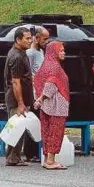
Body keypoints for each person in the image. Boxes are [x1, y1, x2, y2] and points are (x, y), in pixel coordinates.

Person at [33, 41, 69, 170]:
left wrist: (38, 99)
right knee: (55, 132)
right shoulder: (55, 67)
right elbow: (51, 85)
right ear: (53, 52)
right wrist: (42, 98)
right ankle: (51, 161)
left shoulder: (45, 65)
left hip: (45, 107)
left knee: (47, 132)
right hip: (56, 106)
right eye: (61, 50)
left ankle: (47, 159)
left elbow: (36, 79)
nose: (63, 53)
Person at [4, 27, 34, 167]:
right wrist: (20, 103)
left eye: (30, 37)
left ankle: (12, 155)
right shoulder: (16, 57)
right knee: (17, 128)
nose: (30, 40)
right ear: (18, 40)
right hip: (16, 99)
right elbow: (15, 82)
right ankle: (13, 157)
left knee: (17, 126)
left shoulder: (21, 53)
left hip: (21, 97)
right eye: (27, 38)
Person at [25, 26, 50, 163]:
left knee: (38, 121)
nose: (46, 41)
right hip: (34, 92)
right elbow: (27, 73)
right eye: (44, 39)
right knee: (33, 121)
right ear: (37, 37)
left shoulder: (40, 51)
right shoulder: (31, 53)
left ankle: (34, 150)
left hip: (40, 91)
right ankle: (30, 152)